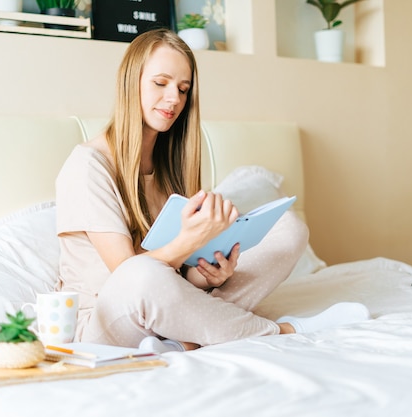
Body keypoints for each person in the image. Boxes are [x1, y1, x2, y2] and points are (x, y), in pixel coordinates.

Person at [55, 28, 369, 353]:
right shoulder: (89, 164)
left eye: (183, 88)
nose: (174, 98)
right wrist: (187, 241)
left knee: (288, 229)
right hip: (107, 322)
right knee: (143, 276)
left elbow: (178, 277)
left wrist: (209, 276)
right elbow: (128, 276)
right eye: (160, 83)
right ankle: (280, 331)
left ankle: (183, 339)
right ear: (130, 82)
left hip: (167, 306)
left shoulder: (170, 168)